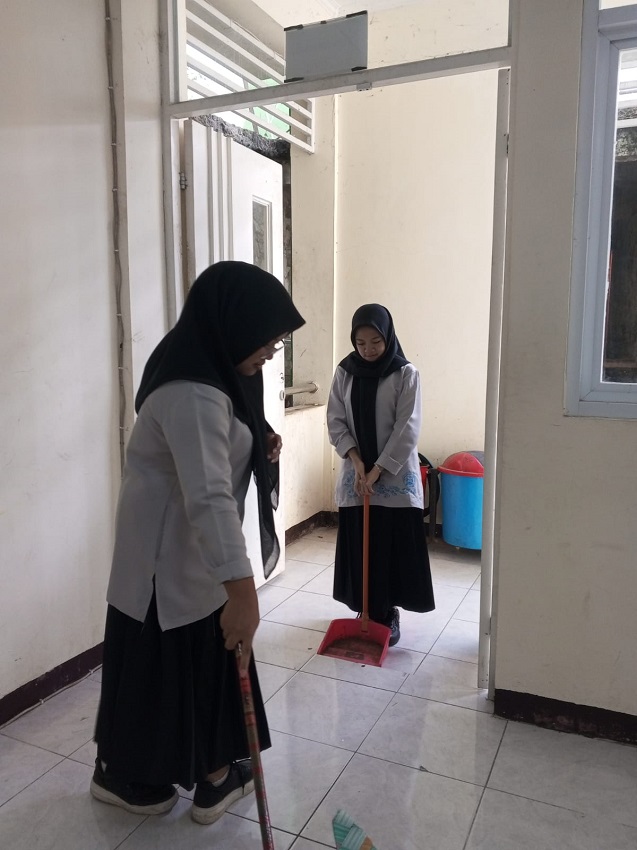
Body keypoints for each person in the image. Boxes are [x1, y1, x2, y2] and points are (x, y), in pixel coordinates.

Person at [91, 261, 305, 825]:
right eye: (268, 340)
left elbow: (224, 439)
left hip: (198, 556)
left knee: (204, 656)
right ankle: (127, 776)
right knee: (168, 663)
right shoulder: (190, 390)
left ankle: (212, 772)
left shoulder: (217, 374)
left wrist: (258, 440)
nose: (271, 353)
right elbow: (208, 495)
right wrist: (244, 592)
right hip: (162, 562)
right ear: (233, 324)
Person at [327, 304, 435, 646]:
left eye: (376, 342)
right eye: (360, 343)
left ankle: (388, 612)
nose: (368, 350)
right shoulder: (345, 372)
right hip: (357, 475)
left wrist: (378, 469)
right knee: (361, 543)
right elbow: (335, 419)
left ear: (388, 337)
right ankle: (365, 609)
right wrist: (357, 461)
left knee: (389, 546)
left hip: (393, 476)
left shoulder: (406, 374)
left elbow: (408, 427)